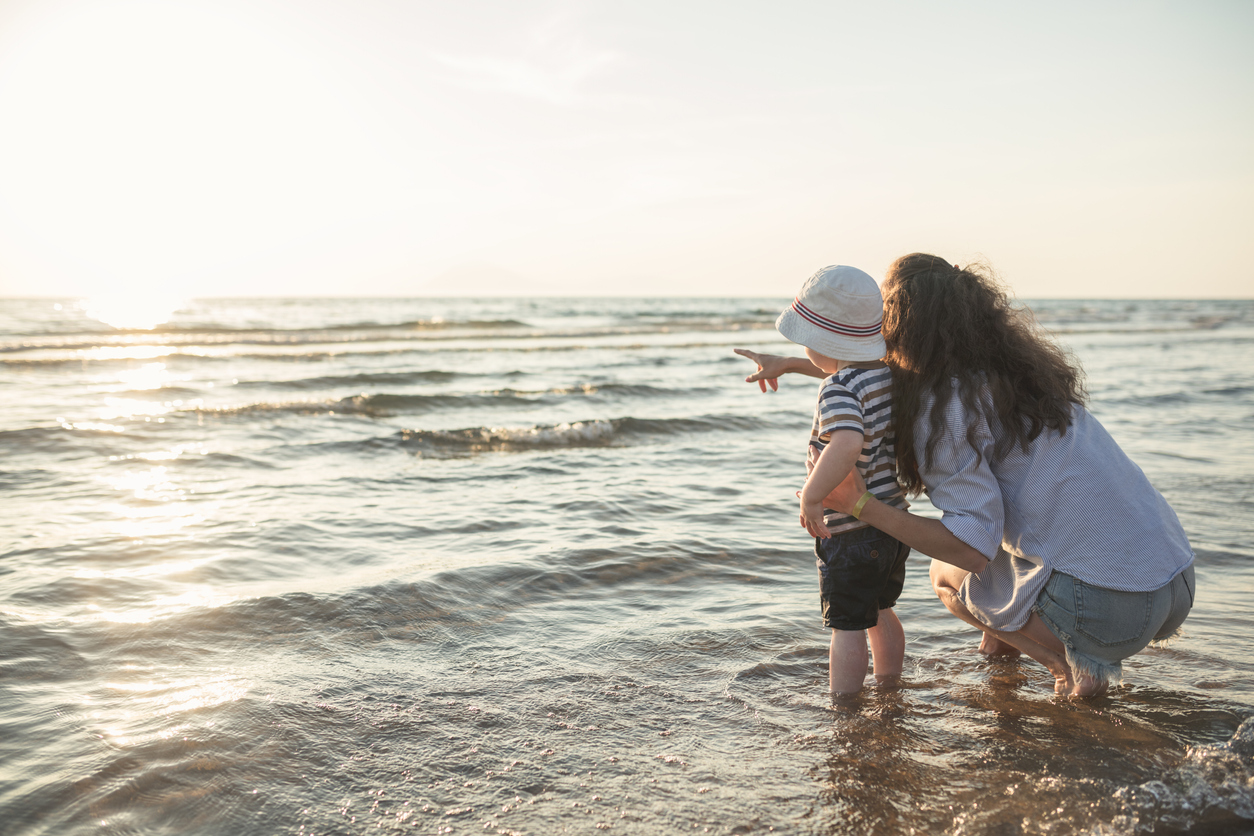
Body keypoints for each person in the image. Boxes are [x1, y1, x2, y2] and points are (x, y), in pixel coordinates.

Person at [736, 253, 1195, 697]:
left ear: (900, 327)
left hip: (1114, 612)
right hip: (1173, 581)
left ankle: (1067, 668)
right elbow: (868, 381)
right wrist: (793, 364)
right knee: (1000, 535)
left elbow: (972, 551)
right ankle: (1004, 657)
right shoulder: (1023, 378)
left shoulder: (945, 407)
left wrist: (862, 505)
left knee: (946, 572)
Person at [774, 265, 912, 694]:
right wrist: (789, 364)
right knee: (882, 610)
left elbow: (848, 442)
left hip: (852, 532)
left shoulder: (837, 388)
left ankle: (845, 706)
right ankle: (889, 685)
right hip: (893, 525)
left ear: (823, 342)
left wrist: (812, 497)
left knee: (847, 626)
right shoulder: (888, 376)